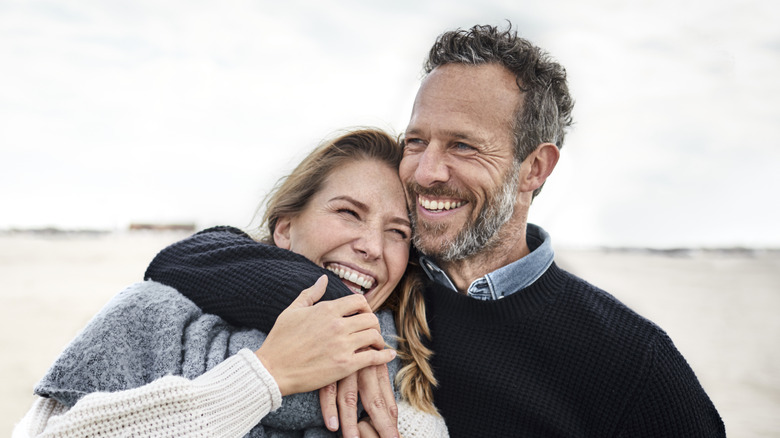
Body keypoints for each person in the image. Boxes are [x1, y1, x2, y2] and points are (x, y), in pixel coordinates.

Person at [149, 24, 727, 437]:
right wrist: (342, 313)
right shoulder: (384, 278)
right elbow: (185, 259)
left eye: (463, 147)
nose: (425, 172)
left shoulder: (630, 362)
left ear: (534, 168)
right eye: (417, 140)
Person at [13, 129, 448, 437]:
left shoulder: (402, 382)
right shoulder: (153, 311)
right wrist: (264, 377)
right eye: (348, 213)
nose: (372, 246)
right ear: (284, 228)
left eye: (398, 232)